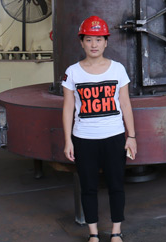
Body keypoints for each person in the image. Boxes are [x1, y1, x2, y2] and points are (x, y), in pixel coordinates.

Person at [62, 15, 137, 242]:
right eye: (88, 40)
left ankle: (116, 231)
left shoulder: (118, 70)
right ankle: (93, 234)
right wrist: (68, 140)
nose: (93, 44)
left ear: (106, 42)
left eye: (98, 39)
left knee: (116, 186)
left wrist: (131, 136)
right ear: (81, 43)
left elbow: (125, 104)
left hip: (114, 137)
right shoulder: (72, 72)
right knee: (88, 187)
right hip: (83, 139)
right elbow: (68, 108)